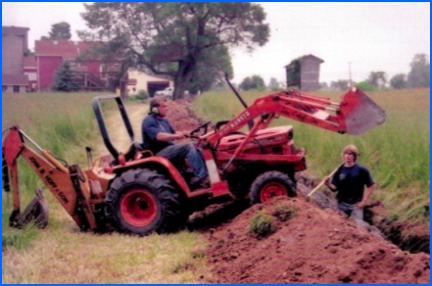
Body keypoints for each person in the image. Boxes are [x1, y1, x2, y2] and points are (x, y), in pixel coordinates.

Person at [141, 96, 209, 189]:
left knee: (195, 144)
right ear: (155, 109)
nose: (166, 109)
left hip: (169, 149)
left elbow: (173, 133)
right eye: (164, 107)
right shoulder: (149, 121)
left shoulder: (164, 121)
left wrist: (184, 133)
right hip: (158, 154)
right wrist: (176, 136)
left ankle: (202, 172)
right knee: (188, 146)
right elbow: (158, 136)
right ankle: (202, 176)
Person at [325, 144, 376, 220]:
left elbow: (372, 186)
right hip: (341, 204)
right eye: (345, 154)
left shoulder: (361, 170)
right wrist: (328, 184)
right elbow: (334, 188)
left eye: (350, 154)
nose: (347, 156)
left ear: (354, 156)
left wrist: (364, 201)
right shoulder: (339, 170)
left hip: (356, 205)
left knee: (358, 227)